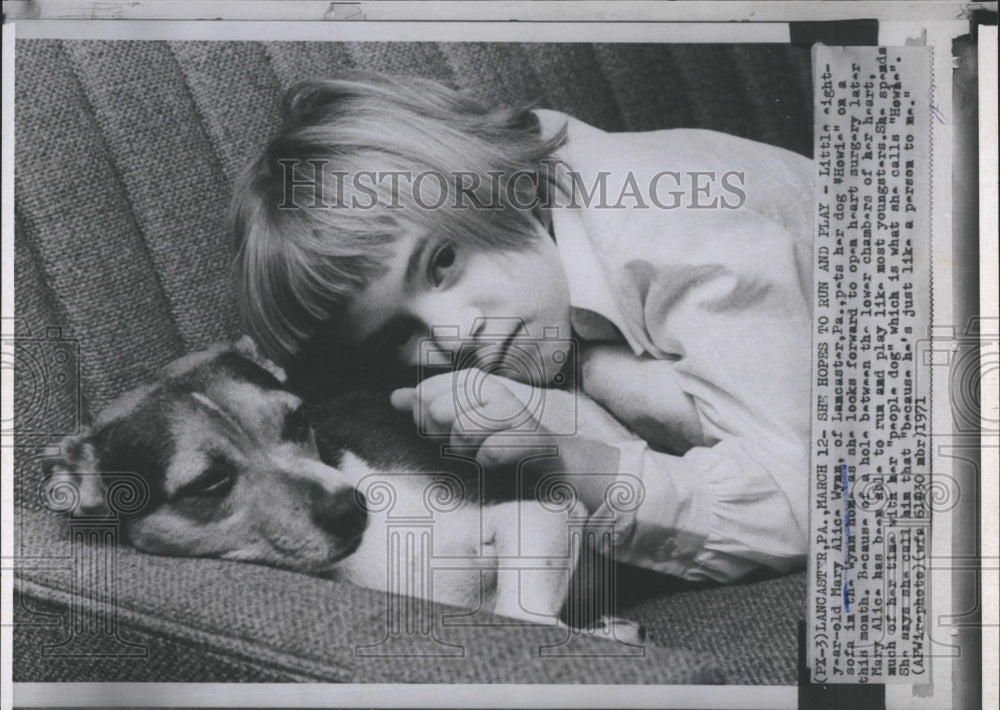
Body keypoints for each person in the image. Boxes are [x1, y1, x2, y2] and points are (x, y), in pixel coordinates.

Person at [233, 72, 814, 583]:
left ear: (494, 183)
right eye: (397, 338)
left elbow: (812, 506)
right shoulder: (540, 273)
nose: (457, 339)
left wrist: (571, 463)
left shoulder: (673, 231)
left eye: (441, 262)